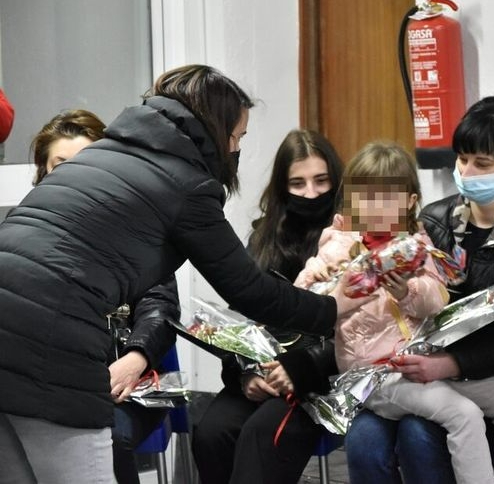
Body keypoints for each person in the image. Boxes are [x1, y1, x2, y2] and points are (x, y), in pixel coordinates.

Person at [0, 64, 364, 483]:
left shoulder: (103, 155)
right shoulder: (184, 185)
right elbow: (251, 291)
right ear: (216, 130)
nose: (236, 148)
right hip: (50, 335)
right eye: (237, 136)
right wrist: (334, 308)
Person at [345, 96, 494, 484]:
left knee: (419, 435)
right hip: (421, 371)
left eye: (482, 164)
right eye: (462, 159)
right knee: (364, 438)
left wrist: (452, 365)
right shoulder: (433, 221)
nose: (467, 172)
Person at [298, 141, 494, 484]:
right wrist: (317, 283)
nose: (374, 208)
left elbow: (436, 301)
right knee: (464, 414)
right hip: (375, 375)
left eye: (387, 198)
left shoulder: (414, 243)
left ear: (410, 202)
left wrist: (405, 290)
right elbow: (300, 296)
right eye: (363, 198)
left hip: (424, 362)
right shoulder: (339, 246)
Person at [29, 109, 181, 484]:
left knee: (105, 436)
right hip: (47, 386)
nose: (73, 175)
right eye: (59, 165)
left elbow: (159, 309)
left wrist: (135, 358)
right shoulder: (25, 231)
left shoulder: (141, 233)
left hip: (126, 384)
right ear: (43, 173)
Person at [192, 129, 344, 484]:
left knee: (263, 436)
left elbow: (363, 328)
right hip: (263, 372)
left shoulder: (354, 239)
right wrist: (246, 373)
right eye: (298, 183)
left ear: (337, 183)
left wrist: (299, 371)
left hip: (322, 378)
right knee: (212, 433)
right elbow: (239, 320)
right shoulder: (261, 238)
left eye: (321, 181)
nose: (311, 193)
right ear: (281, 187)